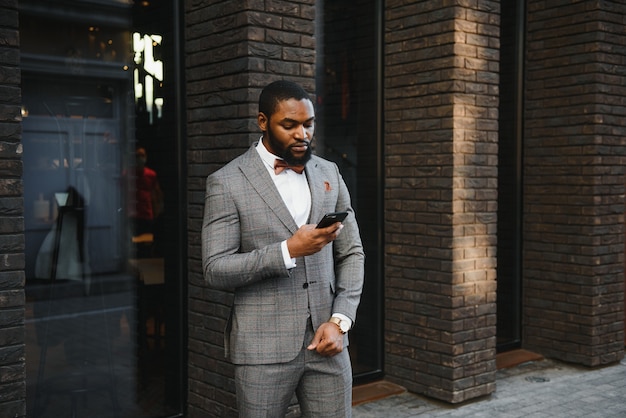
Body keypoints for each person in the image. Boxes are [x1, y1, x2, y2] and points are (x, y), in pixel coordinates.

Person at [202, 80, 365, 417]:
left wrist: (341, 320)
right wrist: (287, 251)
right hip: (262, 350)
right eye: (289, 125)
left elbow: (352, 254)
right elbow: (215, 269)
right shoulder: (227, 182)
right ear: (263, 121)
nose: (302, 134)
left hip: (329, 342)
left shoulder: (329, 173)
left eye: (308, 124)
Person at [129, 146, 163, 236]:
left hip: (147, 213)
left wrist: (157, 210)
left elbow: (157, 193)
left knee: (146, 240)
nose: (140, 158)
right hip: (133, 214)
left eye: (142, 155)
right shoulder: (129, 174)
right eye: (137, 156)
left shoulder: (151, 174)